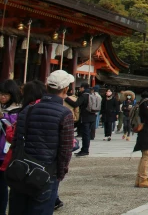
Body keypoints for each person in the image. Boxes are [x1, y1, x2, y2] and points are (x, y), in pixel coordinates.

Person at [8, 71, 74, 214]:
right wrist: (60, 173)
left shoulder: (28, 109)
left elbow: (17, 140)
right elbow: (65, 149)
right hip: (46, 171)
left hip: (21, 168)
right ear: (66, 89)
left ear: (46, 86)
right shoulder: (65, 114)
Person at [0, 80, 22, 213]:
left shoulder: (17, 110)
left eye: (6, 95)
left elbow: (13, 128)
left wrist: (3, 117)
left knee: (3, 187)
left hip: (6, 153)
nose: (2, 97)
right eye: (1, 94)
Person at [66, 83, 98, 157]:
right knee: (87, 134)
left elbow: (76, 104)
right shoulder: (92, 94)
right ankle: (85, 149)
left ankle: (85, 150)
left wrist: (66, 98)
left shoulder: (84, 95)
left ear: (83, 88)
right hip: (92, 116)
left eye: (80, 88)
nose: (79, 89)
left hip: (85, 117)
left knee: (85, 134)